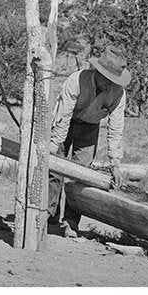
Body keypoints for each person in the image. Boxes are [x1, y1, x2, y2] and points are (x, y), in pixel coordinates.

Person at [48, 46, 131, 236]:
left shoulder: (118, 93)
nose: (110, 84)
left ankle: (70, 222)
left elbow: (116, 128)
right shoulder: (76, 80)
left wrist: (115, 163)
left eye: (114, 80)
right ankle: (48, 217)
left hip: (89, 128)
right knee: (54, 170)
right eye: (107, 78)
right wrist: (55, 145)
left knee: (81, 175)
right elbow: (63, 116)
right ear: (97, 72)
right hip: (65, 123)